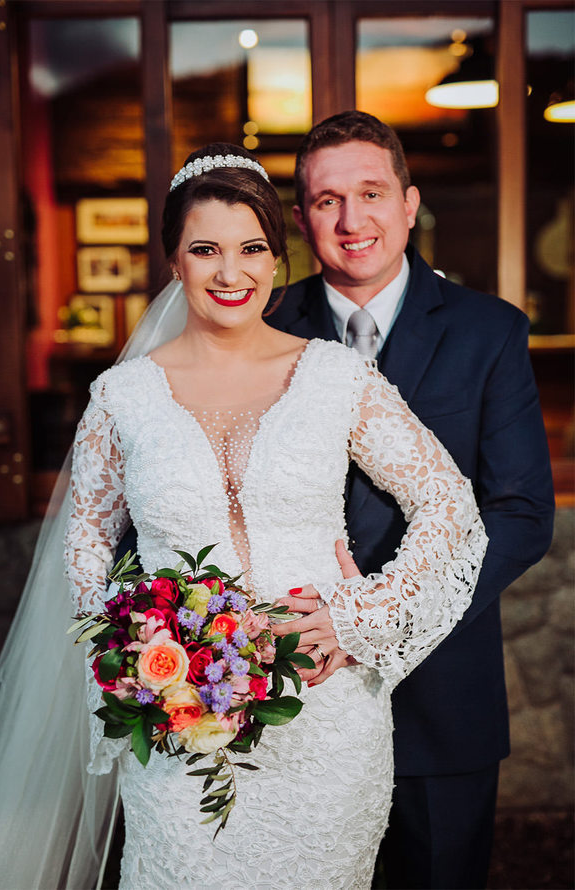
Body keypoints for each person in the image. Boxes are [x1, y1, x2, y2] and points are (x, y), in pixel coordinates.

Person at [0, 144, 488, 888]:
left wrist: (360, 616)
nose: (231, 272)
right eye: (205, 249)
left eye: (252, 248)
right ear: (173, 262)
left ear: (277, 262)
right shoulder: (121, 398)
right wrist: (135, 646)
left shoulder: (336, 377)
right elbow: (85, 544)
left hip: (324, 721)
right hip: (179, 720)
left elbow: (450, 507)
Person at [266, 110, 555, 889]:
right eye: (327, 201)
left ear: (409, 201)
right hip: (293, 690)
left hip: (440, 693)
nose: (352, 220)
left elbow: (523, 513)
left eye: (370, 193)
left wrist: (381, 618)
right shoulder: (261, 327)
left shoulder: (488, 331)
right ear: (301, 218)